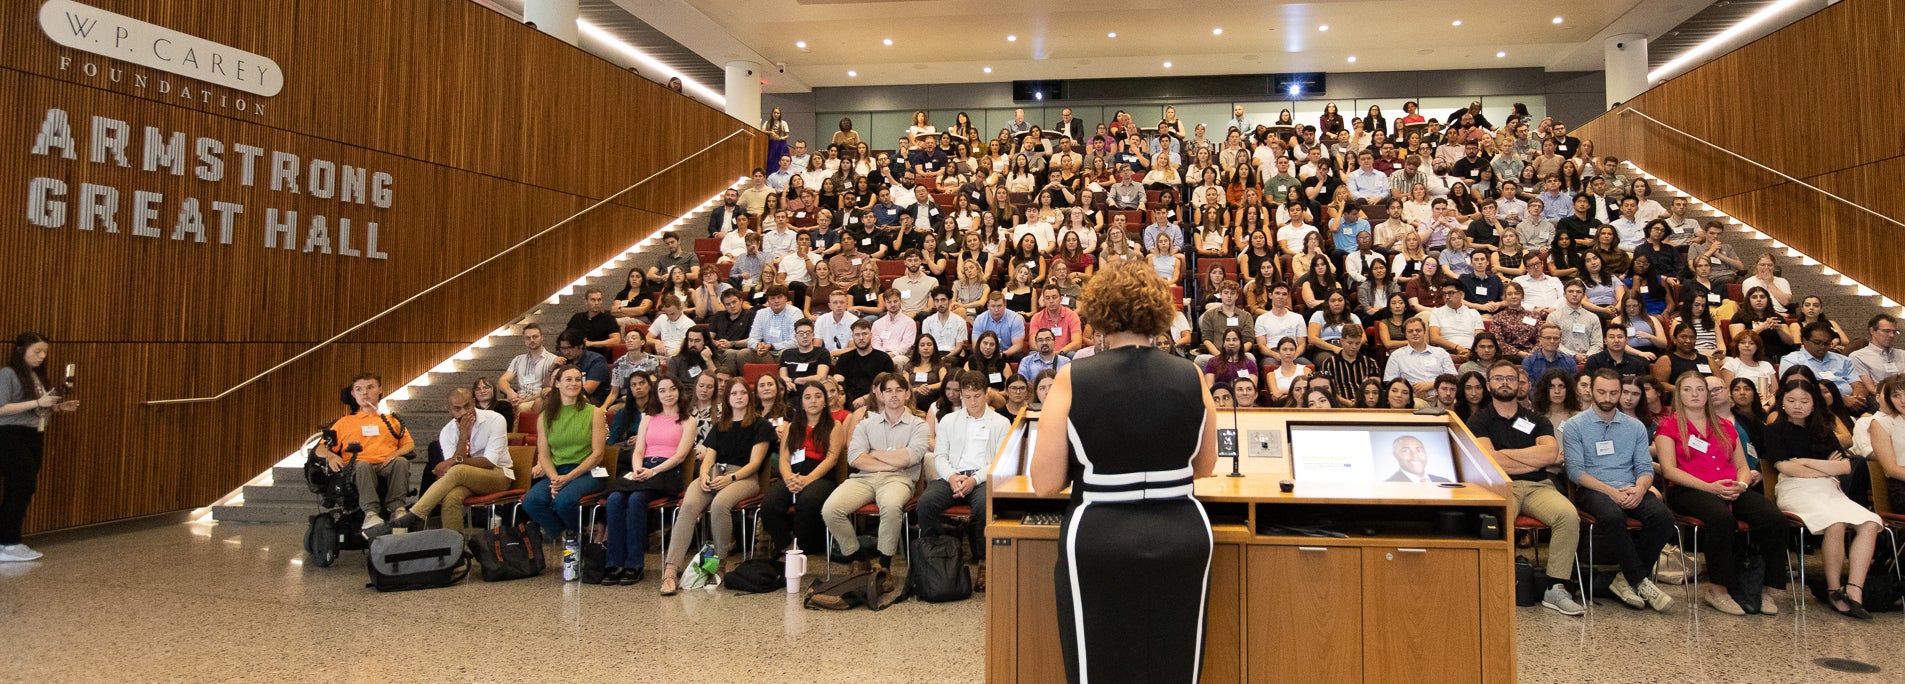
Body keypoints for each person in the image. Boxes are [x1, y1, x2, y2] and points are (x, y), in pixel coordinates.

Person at [1030, 261, 1219, 683]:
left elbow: (1044, 483)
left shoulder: (1071, 377)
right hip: (1182, 533)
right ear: (1157, 313)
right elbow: (1205, 465)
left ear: (1098, 316)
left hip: (1099, 534)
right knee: (1175, 666)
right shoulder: (1191, 374)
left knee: (1097, 667)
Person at [1653, 372, 1790, 616]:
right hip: (1690, 489)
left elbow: (1742, 467)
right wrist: (1710, 488)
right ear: (1678, 394)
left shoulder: (1725, 425)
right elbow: (1669, 470)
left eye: (1699, 389)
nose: (1694, 394)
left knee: (1773, 518)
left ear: (1707, 394)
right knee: (1721, 519)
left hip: (1729, 487)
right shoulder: (1669, 426)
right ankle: (1718, 589)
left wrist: (1742, 485)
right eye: (1687, 389)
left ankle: (1763, 588)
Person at [1762, 378, 1885, 619]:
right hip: (1795, 489)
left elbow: (1845, 468)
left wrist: (1805, 461)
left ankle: (1854, 591)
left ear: (1813, 403)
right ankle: (1833, 590)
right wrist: (1826, 465)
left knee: (1871, 522)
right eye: (1791, 400)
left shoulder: (1822, 429)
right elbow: (1786, 469)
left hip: (1828, 489)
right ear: (1782, 402)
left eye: (1804, 401)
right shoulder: (1774, 430)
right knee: (1835, 523)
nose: (1797, 405)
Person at [1467, 360, 1583, 615]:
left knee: (1567, 515)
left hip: (1539, 485)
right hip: (1500, 486)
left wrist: (1504, 455)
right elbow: (1489, 461)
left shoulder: (1535, 418)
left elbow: (1550, 454)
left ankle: (1555, 587)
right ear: (1489, 385)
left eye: (1510, 378)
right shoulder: (1479, 420)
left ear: (1520, 384)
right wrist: (1530, 455)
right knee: (1497, 520)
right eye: (1499, 378)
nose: (1505, 383)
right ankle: (1494, 583)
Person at [1562, 370, 1676, 612]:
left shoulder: (1634, 427)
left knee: (1663, 518)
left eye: (1614, 392)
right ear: (1591, 390)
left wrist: (1640, 488)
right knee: (1613, 516)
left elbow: (1645, 468)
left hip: (1631, 486)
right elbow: (1575, 471)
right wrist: (1611, 492)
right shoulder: (1575, 426)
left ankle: (1625, 580)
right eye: (1601, 391)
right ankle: (1639, 580)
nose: (1607, 397)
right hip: (1594, 487)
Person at [660, 378, 770, 595]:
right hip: (714, 473)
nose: (739, 397)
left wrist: (731, 478)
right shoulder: (720, 426)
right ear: (727, 398)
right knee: (689, 505)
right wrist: (702, 474)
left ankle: (718, 564)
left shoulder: (760, 425)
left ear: (749, 396)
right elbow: (709, 457)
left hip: (743, 477)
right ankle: (670, 571)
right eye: (734, 394)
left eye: (743, 393)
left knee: (720, 504)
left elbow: (755, 463)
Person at [823, 372, 930, 588]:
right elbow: (854, 458)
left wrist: (874, 453)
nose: (893, 395)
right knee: (830, 509)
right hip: (863, 479)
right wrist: (893, 459)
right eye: (888, 390)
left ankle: (884, 565)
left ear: (907, 393)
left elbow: (912, 457)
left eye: (899, 390)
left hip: (899, 480)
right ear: (879, 394)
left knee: (890, 507)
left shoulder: (918, 425)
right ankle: (859, 558)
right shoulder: (866, 424)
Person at [599, 375, 695, 586]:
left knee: (636, 500)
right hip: (643, 468)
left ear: (679, 391)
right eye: (662, 391)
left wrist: (653, 472)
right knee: (614, 499)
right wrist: (637, 469)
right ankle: (613, 563)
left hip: (668, 471)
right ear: (656, 394)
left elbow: (680, 455)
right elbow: (639, 449)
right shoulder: (648, 418)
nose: (667, 394)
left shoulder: (688, 420)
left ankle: (634, 564)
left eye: (672, 389)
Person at [921, 370, 1010, 587]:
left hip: (982, 477)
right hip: (952, 474)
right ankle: (941, 556)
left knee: (983, 506)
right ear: (960, 395)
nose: (972, 401)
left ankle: (983, 562)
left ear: (986, 393)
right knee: (925, 504)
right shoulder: (949, 420)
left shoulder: (1000, 423)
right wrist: (952, 477)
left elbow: (999, 461)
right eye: (967, 397)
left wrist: (974, 479)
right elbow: (940, 456)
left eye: (977, 396)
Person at [390, 389, 511, 537]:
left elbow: (489, 463)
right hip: (466, 480)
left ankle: (414, 515)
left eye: (467, 406)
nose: (463, 412)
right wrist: (463, 436)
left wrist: (455, 460)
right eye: (457, 409)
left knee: (458, 471)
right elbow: (453, 466)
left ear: (474, 402)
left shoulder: (495, 419)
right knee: (451, 498)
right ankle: (456, 548)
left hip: (499, 475)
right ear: (450, 411)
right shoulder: (447, 431)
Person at [0, 333, 77, 561]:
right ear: (21, 350)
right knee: (22, 486)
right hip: (10, 435)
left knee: (22, 488)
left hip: (34, 434)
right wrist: (38, 402)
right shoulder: (8, 374)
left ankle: (8, 540)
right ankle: (9, 542)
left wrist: (58, 408)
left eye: (44, 352)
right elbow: (1, 407)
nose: (42, 356)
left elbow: (36, 410)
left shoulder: (36, 376)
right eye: (37, 351)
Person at [315, 373, 417, 533]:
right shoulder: (343, 422)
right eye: (359, 389)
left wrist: (395, 454)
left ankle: (397, 509)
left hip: (385, 464)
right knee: (363, 465)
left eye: (370, 387)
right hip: (357, 467)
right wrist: (331, 455)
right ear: (353, 394)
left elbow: (409, 444)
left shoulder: (392, 420)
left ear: (380, 390)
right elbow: (320, 448)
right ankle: (371, 513)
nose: (365, 393)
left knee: (401, 462)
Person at [519, 366, 606, 543]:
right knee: (531, 501)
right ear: (557, 384)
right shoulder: (545, 416)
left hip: (587, 472)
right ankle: (567, 535)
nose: (574, 383)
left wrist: (567, 478)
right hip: (557, 472)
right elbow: (543, 456)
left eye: (577, 379)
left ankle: (576, 534)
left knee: (563, 502)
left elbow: (597, 455)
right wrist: (555, 479)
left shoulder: (595, 412)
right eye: (568, 379)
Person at [762, 383, 845, 557]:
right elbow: (784, 458)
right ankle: (785, 545)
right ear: (801, 402)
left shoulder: (834, 425)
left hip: (820, 476)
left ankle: (805, 546)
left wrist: (807, 479)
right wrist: (788, 478)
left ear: (825, 401)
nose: (813, 401)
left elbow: (832, 458)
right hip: (792, 474)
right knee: (770, 503)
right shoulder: (792, 427)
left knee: (808, 501)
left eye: (818, 396)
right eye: (807, 397)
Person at [1385, 317, 1457, 397]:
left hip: (1441, 396)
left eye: (1418, 330)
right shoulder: (1396, 356)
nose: (1415, 333)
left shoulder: (1441, 353)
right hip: (1413, 397)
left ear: (1424, 332)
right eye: (1410, 331)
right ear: (1405, 335)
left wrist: (1430, 385)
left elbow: (1452, 377)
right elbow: (1390, 382)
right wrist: (1412, 390)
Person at [500, 323, 558, 411]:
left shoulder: (553, 360)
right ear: (524, 341)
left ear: (542, 338)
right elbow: (502, 380)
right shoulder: (518, 359)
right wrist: (509, 392)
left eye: (535, 337)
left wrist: (524, 401)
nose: (531, 340)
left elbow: (553, 388)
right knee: (500, 407)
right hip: (520, 397)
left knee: (522, 408)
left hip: (540, 399)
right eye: (528, 338)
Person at [1382, 436, 1449, 483]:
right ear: (1395, 455)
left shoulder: (1445, 482)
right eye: (1405, 451)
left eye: (1419, 450)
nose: (1415, 455)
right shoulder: (1388, 486)